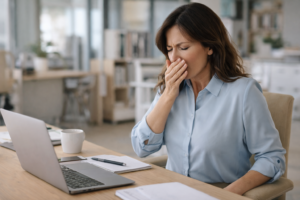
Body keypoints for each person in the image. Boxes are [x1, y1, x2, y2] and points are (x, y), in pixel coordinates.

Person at [131, 2, 286, 195]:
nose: (175, 57)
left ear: (209, 47)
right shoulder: (170, 90)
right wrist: (168, 95)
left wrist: (228, 194)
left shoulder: (244, 92)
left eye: (184, 47)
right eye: (170, 49)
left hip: (219, 191)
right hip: (171, 191)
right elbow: (141, 147)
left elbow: (273, 158)